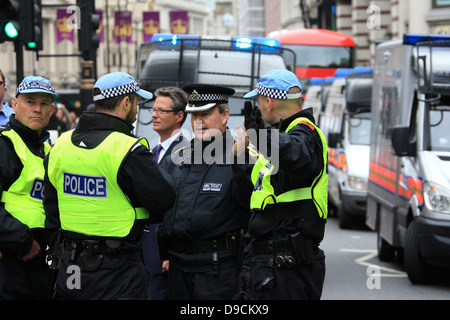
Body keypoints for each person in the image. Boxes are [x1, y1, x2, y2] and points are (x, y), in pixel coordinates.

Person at [43, 71, 176, 300]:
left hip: (72, 266)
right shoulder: (127, 148)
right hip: (117, 270)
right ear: (126, 102)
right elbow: (163, 198)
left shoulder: (61, 144)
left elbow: (51, 207)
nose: (137, 109)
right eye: (136, 101)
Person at [238, 69, 328, 300]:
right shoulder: (281, 136)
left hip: (288, 269)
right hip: (270, 265)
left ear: (268, 101)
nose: (257, 107)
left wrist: (258, 135)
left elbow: (295, 152)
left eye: (258, 101)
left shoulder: (306, 134)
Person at [159, 84, 254, 300]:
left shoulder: (240, 156)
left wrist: (241, 162)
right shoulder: (177, 156)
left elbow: (248, 203)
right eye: (194, 115)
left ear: (224, 116)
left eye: (205, 114)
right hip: (177, 268)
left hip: (217, 272)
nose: (198, 122)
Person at [0, 76, 58, 299]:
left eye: (44, 104)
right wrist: (23, 242)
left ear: (51, 109)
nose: (38, 109)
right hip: (12, 254)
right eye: (30, 102)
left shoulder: (47, 148)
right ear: (14, 104)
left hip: (39, 254)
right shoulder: (5, 144)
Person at [141, 86, 188, 300]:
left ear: (179, 116)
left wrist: (169, 251)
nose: (154, 115)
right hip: (148, 252)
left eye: (162, 111)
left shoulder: (186, 153)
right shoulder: (152, 151)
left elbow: (181, 205)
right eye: (153, 109)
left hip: (166, 253)